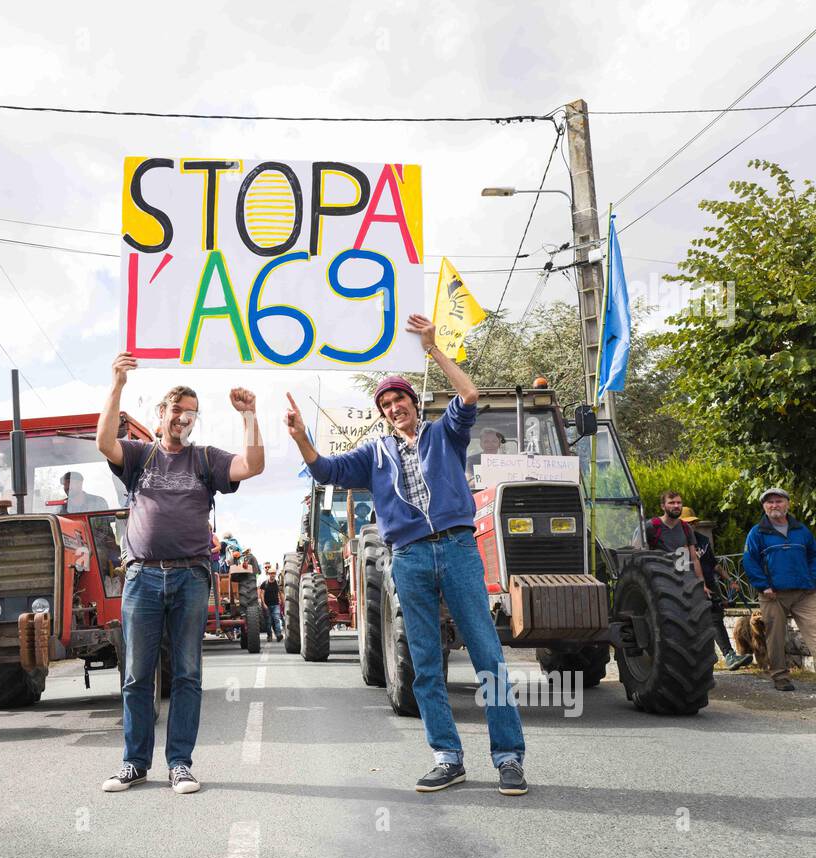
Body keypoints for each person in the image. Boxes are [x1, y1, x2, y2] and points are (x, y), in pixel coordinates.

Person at [285, 313, 528, 797]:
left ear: (414, 404)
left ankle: (508, 758)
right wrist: (299, 437)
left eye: (400, 400)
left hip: (458, 549)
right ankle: (447, 757)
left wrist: (433, 349)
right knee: (423, 661)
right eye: (386, 404)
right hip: (409, 558)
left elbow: (469, 396)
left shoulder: (446, 433)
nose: (394, 407)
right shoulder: (373, 455)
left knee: (488, 655)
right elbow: (326, 470)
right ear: (382, 414)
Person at [96, 351, 265, 794]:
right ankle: (134, 763)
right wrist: (116, 385)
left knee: (188, 673)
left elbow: (253, 465)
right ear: (162, 414)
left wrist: (249, 416)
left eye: (190, 414)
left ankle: (180, 764)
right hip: (142, 579)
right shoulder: (138, 456)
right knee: (137, 673)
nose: (183, 419)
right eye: (176, 411)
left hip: (191, 577)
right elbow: (103, 443)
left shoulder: (206, 459)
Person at [742, 488, 816, 694]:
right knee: (776, 638)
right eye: (769, 502)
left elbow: (813, 556)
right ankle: (780, 676)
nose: (774, 505)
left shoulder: (801, 530)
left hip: (803, 593)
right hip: (773, 595)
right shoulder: (757, 532)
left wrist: (812, 580)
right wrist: (763, 585)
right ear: (764, 507)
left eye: (778, 501)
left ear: (788, 504)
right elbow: (750, 561)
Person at [680, 506, 752, 670]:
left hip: (710, 586)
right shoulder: (676, 544)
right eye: (686, 524)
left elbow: (714, 565)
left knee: (715, 619)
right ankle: (706, 657)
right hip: (688, 587)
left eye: (692, 523)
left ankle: (729, 656)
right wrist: (699, 585)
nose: (690, 526)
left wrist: (730, 580)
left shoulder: (703, 541)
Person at [643, 491, 710, 596]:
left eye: (679, 503)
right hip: (659, 581)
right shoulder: (651, 526)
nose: (676, 506)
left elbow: (694, 559)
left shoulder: (686, 528)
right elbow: (637, 554)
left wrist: (702, 584)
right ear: (662, 506)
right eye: (671, 502)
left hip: (683, 579)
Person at [260, 566, 284, 642]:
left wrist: (283, 602)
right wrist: (263, 604)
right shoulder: (265, 583)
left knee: (276, 619)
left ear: (275, 574)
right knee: (269, 622)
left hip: (276, 604)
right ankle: (269, 635)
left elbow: (280, 593)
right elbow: (262, 594)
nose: (272, 575)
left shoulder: (277, 583)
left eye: (274, 573)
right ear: (268, 574)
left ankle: (278, 634)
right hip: (267, 605)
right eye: (271, 573)